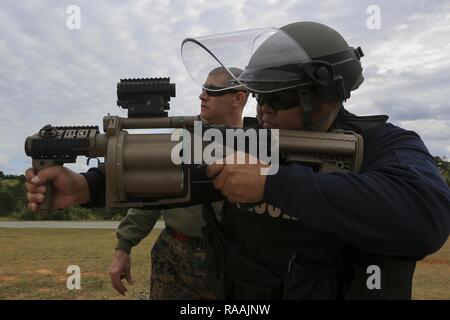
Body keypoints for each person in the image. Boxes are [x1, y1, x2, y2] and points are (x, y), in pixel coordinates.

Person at [25, 21, 450, 300]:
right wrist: (87, 187)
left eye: (277, 98)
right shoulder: (255, 142)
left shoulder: (387, 145)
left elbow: (425, 217)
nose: (263, 110)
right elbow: (180, 166)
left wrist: (273, 183)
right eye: (260, 96)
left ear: (325, 96)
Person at [109, 67, 249, 299]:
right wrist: (123, 247)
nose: (202, 96)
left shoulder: (258, 146)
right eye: (203, 89)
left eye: (212, 91)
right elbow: (152, 192)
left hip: (227, 261)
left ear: (238, 98)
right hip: (172, 254)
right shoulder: (184, 136)